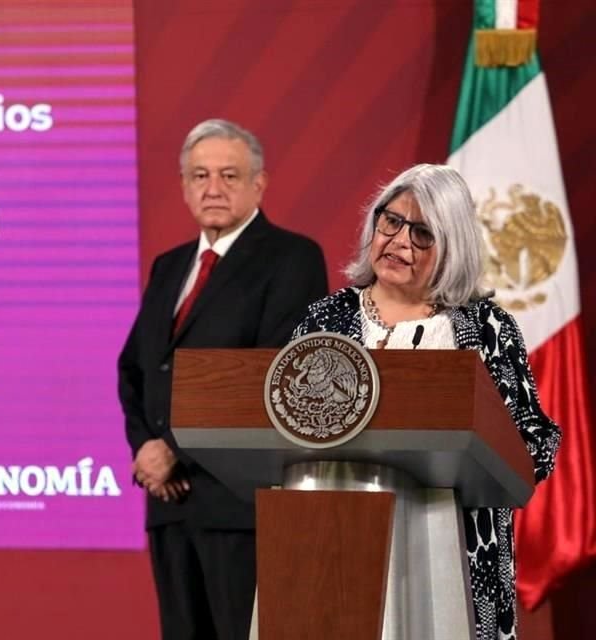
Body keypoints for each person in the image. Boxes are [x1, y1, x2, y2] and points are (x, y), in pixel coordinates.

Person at [291, 163, 561, 640]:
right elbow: (287, 419)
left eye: (423, 234)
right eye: (391, 221)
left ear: (452, 248)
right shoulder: (325, 319)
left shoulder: (486, 329)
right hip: (339, 542)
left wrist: (476, 463)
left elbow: (534, 443)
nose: (398, 242)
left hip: (454, 542)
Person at [118, 118, 328, 640]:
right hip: (169, 506)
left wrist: (175, 449)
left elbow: (275, 373)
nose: (213, 188)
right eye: (200, 175)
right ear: (185, 186)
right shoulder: (169, 267)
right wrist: (147, 448)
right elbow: (136, 368)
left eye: (229, 175)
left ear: (259, 183)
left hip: (240, 506)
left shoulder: (291, 258)